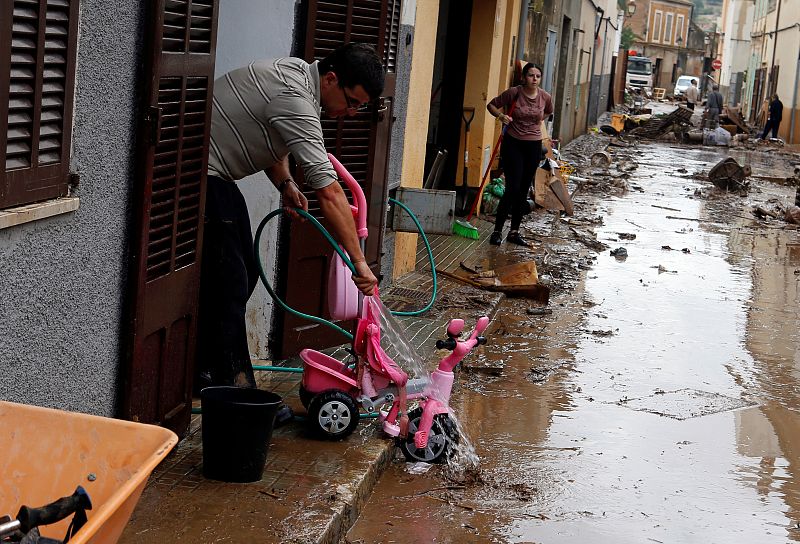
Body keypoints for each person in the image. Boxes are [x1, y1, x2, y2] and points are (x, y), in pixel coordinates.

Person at [196, 43, 384, 395]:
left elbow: (274, 137)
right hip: (197, 173)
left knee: (246, 270)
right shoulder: (296, 98)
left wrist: (285, 183)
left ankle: (205, 369)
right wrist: (359, 262)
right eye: (352, 102)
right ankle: (237, 390)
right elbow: (330, 192)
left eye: (360, 107)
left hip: (216, 177)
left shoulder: (297, 75)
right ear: (331, 79)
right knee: (230, 284)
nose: (352, 112)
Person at [486, 63, 554, 247]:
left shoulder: (545, 97)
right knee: (512, 188)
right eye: (531, 75)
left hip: (533, 145)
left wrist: (535, 123)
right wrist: (501, 117)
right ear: (524, 77)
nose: (534, 79)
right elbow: (491, 105)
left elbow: (548, 111)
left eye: (537, 76)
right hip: (513, 143)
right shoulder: (514, 93)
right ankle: (497, 231)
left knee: (523, 189)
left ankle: (514, 232)